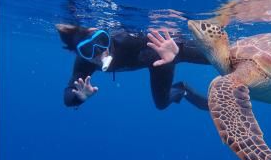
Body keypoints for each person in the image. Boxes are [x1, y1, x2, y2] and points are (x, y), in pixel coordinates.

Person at [56, 24, 210, 110]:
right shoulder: (84, 64)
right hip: (157, 64)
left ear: (100, 32)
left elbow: (169, 44)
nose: (100, 51)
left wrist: (178, 52)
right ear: (81, 55)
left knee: (219, 59)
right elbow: (68, 95)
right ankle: (181, 90)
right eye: (88, 50)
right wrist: (79, 97)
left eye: (101, 40)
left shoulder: (126, 39)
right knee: (161, 104)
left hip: (162, 56)